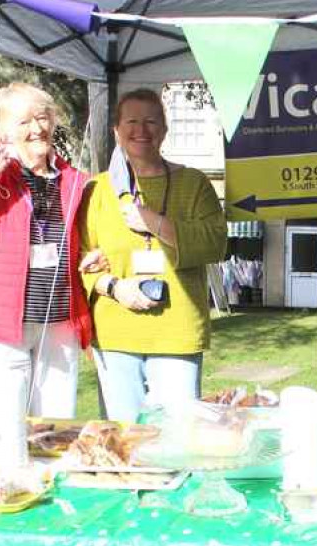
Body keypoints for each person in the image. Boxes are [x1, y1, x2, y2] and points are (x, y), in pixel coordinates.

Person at [0, 82, 96, 453]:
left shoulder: (74, 181)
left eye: (43, 118)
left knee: (54, 433)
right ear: (2, 130)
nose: (36, 129)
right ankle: (6, 497)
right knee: (6, 434)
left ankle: (50, 508)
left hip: (59, 322)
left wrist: (87, 260)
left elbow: (73, 247)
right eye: (24, 121)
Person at [79, 89, 227, 423]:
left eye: (151, 121)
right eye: (132, 121)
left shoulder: (194, 183)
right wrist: (115, 287)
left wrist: (156, 223)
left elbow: (216, 243)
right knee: (125, 438)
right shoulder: (97, 190)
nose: (141, 130)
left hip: (176, 333)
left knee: (179, 436)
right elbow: (81, 258)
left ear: (164, 129)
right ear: (116, 130)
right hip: (115, 334)